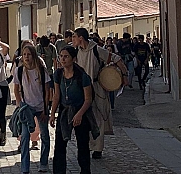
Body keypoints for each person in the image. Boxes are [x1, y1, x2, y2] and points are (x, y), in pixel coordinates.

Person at [72, 28, 128, 160]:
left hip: (97, 88)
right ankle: (87, 145)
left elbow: (116, 59)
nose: (73, 39)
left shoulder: (96, 50)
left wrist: (124, 75)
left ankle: (98, 148)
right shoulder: (76, 51)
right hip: (82, 89)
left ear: (81, 38)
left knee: (99, 118)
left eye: (74, 36)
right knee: (84, 119)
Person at [49, 46, 96, 174]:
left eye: (66, 56)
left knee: (82, 144)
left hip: (81, 110)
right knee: (60, 144)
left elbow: (88, 99)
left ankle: (85, 171)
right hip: (65, 110)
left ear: (73, 59)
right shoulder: (58, 74)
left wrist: (79, 114)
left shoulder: (82, 76)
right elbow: (57, 95)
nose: (62, 59)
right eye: (61, 56)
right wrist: (52, 114)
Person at [13, 44, 50, 174]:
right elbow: (16, 89)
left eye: (29, 54)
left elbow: (47, 90)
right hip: (26, 108)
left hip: (40, 107)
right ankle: (25, 168)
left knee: (45, 135)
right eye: (24, 55)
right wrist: (19, 105)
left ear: (33, 55)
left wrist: (46, 109)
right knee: (24, 137)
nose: (26, 57)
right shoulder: (19, 70)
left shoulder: (41, 70)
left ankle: (43, 163)